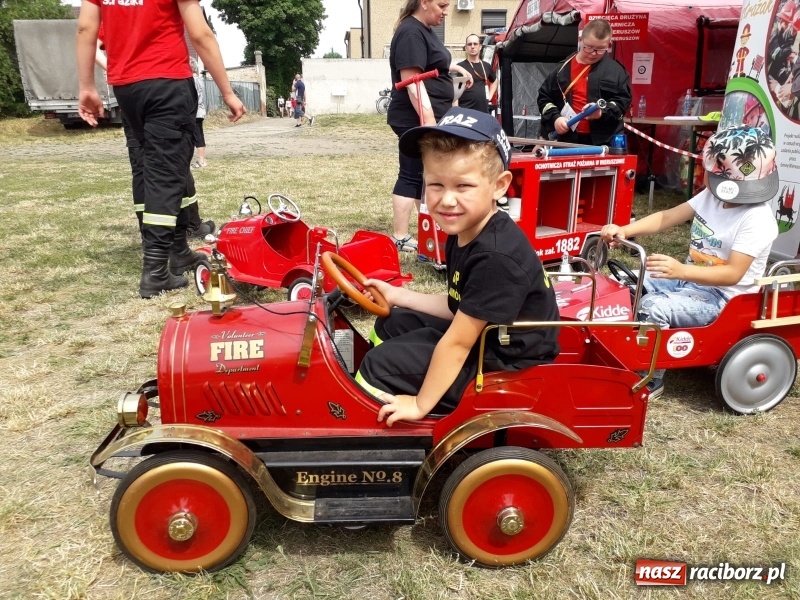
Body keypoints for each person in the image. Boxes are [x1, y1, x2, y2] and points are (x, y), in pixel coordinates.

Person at [356, 107, 560, 426]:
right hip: (487, 337)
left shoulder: (496, 255)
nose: (447, 200)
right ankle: (400, 385)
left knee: (379, 366)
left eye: (463, 186)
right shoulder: (464, 228)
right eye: (436, 185)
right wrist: (397, 295)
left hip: (507, 362)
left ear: (499, 185)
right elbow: (461, 307)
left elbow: (459, 341)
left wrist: (420, 403)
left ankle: (379, 426)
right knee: (392, 322)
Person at [76, 0, 245, 299]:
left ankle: (178, 251)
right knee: (165, 175)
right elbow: (201, 34)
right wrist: (228, 92)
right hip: (167, 83)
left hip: (127, 88)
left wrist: (87, 86)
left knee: (161, 170)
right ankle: (155, 271)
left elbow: (86, 27)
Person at [600, 126, 779, 398]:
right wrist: (626, 230)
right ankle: (620, 347)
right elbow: (668, 217)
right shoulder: (712, 197)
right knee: (620, 282)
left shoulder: (757, 219)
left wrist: (682, 270)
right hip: (687, 279)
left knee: (653, 307)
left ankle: (649, 377)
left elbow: (733, 274)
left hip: (724, 298)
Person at [94, 29, 214, 244]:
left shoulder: (113, 8)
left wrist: (116, 71)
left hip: (128, 93)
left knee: (141, 166)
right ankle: (188, 227)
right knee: (175, 161)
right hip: (163, 92)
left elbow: (89, 41)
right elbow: (200, 35)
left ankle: (149, 234)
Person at [387, 0, 474, 253]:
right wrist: (429, 124)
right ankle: (400, 236)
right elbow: (413, 82)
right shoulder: (411, 32)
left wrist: (458, 68)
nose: (446, 11)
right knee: (411, 174)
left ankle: (428, 227)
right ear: (424, 2)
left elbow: (434, 63)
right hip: (414, 119)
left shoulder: (423, 30)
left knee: (425, 176)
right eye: (442, 5)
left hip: (426, 117)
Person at [537, 18, 631, 146]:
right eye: (589, 47)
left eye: (600, 49)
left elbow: (622, 102)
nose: (593, 53)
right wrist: (555, 118)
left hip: (603, 142)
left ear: (609, 45)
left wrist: (601, 112)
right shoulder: (561, 70)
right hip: (567, 140)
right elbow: (544, 98)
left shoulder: (616, 72)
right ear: (580, 40)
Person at [456, 34, 497, 113]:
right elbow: (456, 91)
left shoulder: (486, 66)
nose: (472, 46)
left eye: (475, 44)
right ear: (466, 48)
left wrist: (490, 96)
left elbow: (495, 81)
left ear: (480, 47)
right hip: (466, 110)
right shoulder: (460, 67)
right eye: (469, 44)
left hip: (483, 110)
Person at [190, 57, 208, 168]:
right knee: (198, 135)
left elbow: (194, 97)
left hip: (194, 112)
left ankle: (201, 161)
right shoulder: (200, 80)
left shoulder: (193, 81)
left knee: (196, 136)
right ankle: (201, 160)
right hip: (199, 111)